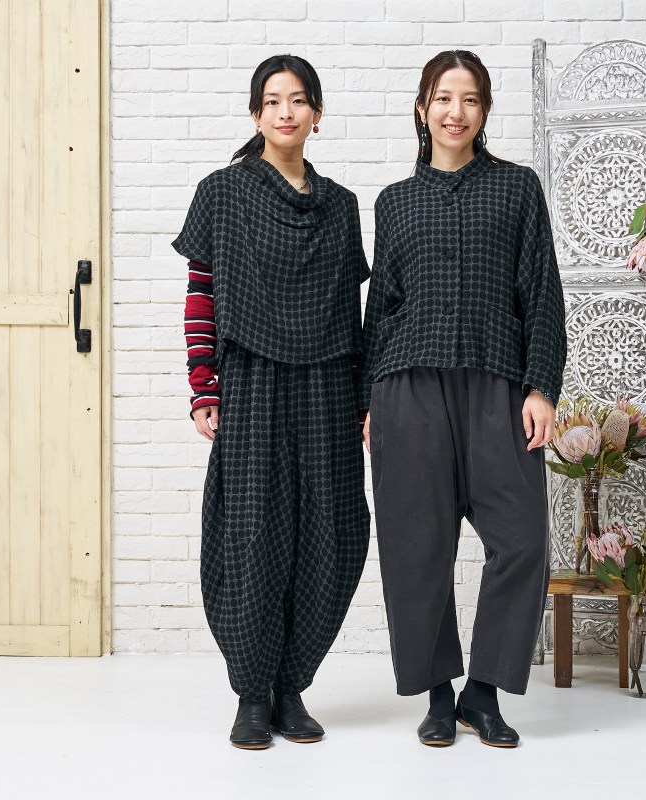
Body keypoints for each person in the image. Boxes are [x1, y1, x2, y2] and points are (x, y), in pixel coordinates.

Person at [360, 50, 567, 749]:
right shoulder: (395, 202)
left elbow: (542, 293)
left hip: (497, 385)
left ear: (484, 111)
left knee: (522, 540)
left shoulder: (516, 188)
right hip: (407, 387)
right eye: (443, 98)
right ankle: (437, 696)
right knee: (416, 547)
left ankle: (483, 693)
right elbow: (381, 309)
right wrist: (367, 401)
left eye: (470, 99)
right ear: (422, 108)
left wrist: (540, 386)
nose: (455, 111)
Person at [173, 54, 370, 750]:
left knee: (331, 532)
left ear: (317, 113)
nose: (286, 112)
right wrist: (204, 385)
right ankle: (253, 694)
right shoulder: (222, 193)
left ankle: (292, 687)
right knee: (251, 534)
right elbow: (202, 294)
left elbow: (351, 313)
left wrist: (362, 400)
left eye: (299, 100)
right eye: (273, 100)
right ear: (256, 113)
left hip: (327, 385)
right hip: (251, 381)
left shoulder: (341, 206)